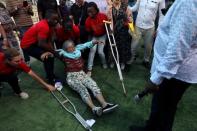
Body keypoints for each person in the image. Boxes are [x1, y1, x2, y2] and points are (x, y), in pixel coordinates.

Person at [130, 0, 197, 131]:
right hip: (176, 68)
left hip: (174, 72)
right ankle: (151, 127)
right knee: (162, 106)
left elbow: (178, 47)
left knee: (165, 108)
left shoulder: (188, 2)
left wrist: (156, 78)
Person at [56, 40, 118, 116]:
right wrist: (49, 53)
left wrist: (94, 42)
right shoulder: (63, 53)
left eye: (72, 46)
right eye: (69, 48)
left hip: (82, 73)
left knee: (93, 84)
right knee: (83, 89)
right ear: (66, 49)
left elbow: (85, 45)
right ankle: (94, 108)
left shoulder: (77, 49)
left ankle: (105, 105)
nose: (72, 48)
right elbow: (55, 52)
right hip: (71, 77)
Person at [20, 10, 59, 85]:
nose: (56, 21)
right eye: (54, 19)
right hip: (27, 46)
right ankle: (51, 80)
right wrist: (54, 52)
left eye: (57, 19)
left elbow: (49, 40)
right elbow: (42, 44)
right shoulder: (44, 26)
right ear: (48, 19)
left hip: (35, 43)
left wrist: (53, 51)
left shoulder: (49, 24)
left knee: (51, 55)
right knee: (48, 57)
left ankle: (50, 75)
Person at [128, 0, 165, 69]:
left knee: (148, 46)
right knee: (133, 45)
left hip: (150, 27)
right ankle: (131, 59)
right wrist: (125, 7)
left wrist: (158, 28)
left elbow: (162, 15)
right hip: (138, 25)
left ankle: (146, 60)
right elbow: (135, 8)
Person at [107, 0, 133, 70]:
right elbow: (109, 19)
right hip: (114, 30)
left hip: (123, 31)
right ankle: (113, 61)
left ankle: (122, 62)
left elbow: (130, 19)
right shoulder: (110, 7)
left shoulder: (126, 8)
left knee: (123, 47)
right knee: (113, 46)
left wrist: (127, 23)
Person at [85, 2, 108, 76]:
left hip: (102, 36)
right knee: (92, 50)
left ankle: (104, 63)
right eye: (88, 12)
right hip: (94, 36)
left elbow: (107, 26)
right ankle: (89, 69)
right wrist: (93, 40)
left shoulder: (103, 16)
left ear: (96, 10)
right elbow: (89, 32)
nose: (89, 13)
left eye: (91, 11)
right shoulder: (88, 20)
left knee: (100, 51)